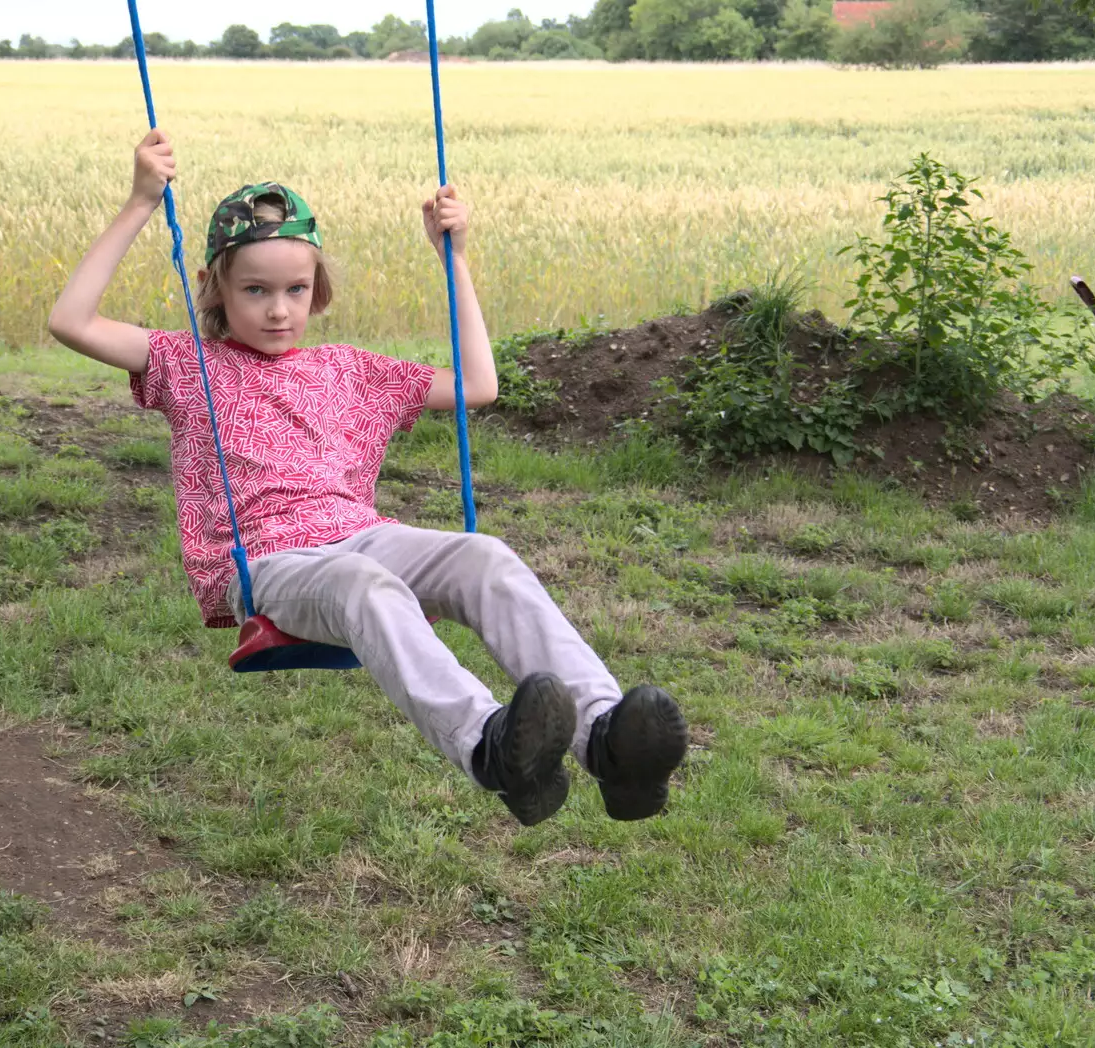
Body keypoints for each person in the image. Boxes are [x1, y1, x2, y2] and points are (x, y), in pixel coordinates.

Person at [47, 129, 688, 826]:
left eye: (296, 289)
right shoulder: (186, 363)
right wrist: (142, 201)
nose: (278, 309)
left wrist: (455, 261)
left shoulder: (351, 371)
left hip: (362, 534)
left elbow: (479, 384)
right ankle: (489, 746)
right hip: (266, 562)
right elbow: (70, 320)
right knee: (365, 585)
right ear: (215, 289)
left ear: (317, 290)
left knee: (484, 556)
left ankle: (607, 739)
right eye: (255, 290)